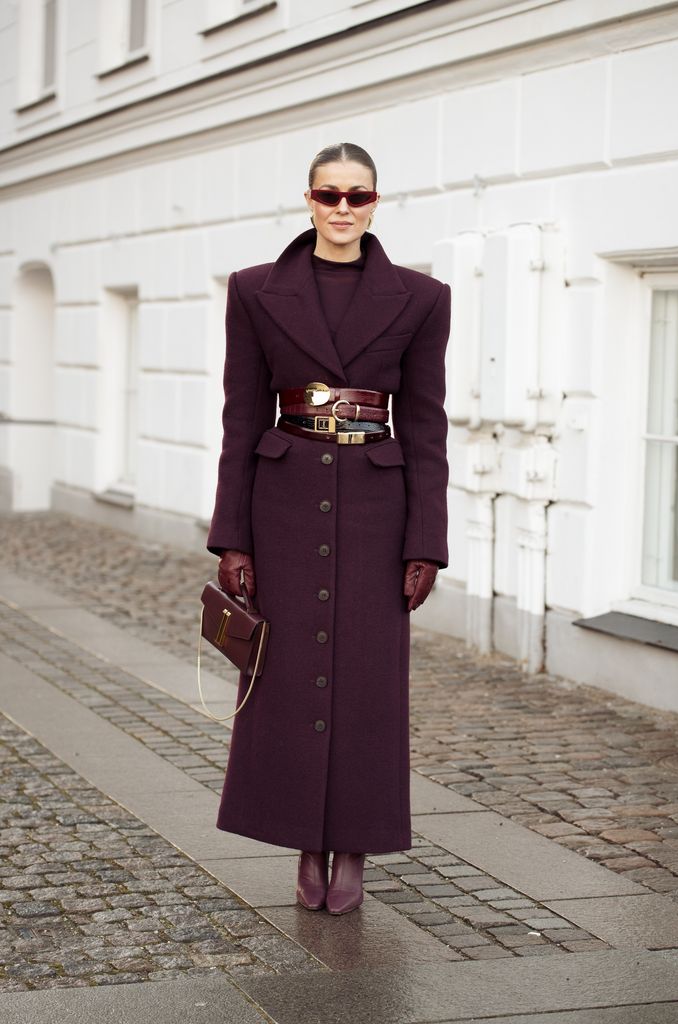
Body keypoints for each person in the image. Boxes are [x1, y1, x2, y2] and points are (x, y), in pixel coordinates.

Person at [206, 142, 450, 915]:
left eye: (358, 196)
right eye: (328, 195)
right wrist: (232, 536)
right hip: (280, 502)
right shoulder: (252, 291)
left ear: (377, 202)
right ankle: (304, 840)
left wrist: (425, 541)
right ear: (306, 200)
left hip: (378, 510)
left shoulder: (421, 298)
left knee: (367, 685)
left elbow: (426, 424)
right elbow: (240, 417)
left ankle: (354, 844)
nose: (343, 209)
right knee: (280, 679)